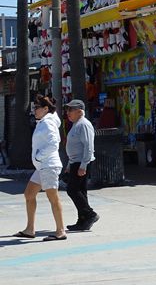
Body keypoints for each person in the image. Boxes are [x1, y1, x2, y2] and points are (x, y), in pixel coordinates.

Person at [13, 95, 66, 241]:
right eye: (34, 107)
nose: (34, 110)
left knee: (53, 198)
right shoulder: (44, 121)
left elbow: (54, 143)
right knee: (29, 194)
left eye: (37, 108)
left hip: (48, 165)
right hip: (42, 166)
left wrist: (39, 157)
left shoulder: (48, 123)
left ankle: (60, 231)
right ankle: (30, 230)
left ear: (45, 109)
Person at [64, 99, 99, 231]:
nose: (68, 112)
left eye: (71, 110)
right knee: (81, 192)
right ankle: (83, 220)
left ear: (80, 111)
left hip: (81, 163)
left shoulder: (83, 124)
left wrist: (83, 165)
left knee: (72, 190)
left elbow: (89, 146)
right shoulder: (76, 124)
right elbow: (74, 147)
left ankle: (90, 214)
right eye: (67, 110)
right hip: (75, 162)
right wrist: (69, 164)